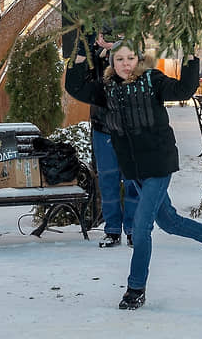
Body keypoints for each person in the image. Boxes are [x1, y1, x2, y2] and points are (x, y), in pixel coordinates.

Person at [65, 39, 202, 310]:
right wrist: (80, 53)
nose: (125, 64)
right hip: (134, 168)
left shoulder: (152, 81)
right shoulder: (107, 89)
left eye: (130, 59)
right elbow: (74, 86)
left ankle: (135, 289)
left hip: (158, 164)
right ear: (112, 63)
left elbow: (184, 88)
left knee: (141, 227)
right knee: (168, 221)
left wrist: (191, 57)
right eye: (119, 59)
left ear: (138, 60)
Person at [89, 34, 137, 248]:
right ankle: (112, 230)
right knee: (108, 181)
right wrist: (99, 50)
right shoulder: (96, 60)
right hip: (103, 129)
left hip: (129, 132)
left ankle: (134, 229)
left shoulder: (131, 62)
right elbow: (85, 74)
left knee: (132, 182)